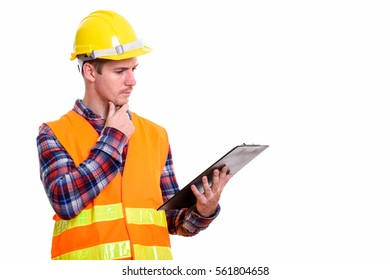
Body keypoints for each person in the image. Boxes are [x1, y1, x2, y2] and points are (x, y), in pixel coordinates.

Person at [36, 9, 232, 260]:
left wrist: (203, 210)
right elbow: (65, 202)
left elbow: (172, 220)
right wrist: (113, 138)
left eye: (134, 69)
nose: (132, 81)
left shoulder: (155, 134)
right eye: (120, 71)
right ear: (90, 72)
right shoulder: (54, 133)